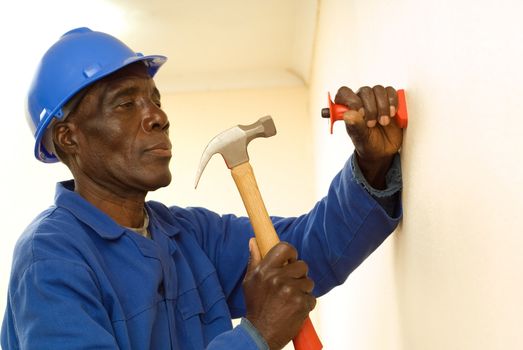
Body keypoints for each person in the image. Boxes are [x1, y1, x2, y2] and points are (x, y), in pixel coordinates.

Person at [1, 27, 403, 350]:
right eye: (126, 104)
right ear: (69, 138)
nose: (158, 116)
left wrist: (372, 164)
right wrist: (256, 335)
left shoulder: (186, 236)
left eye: (154, 100)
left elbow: (307, 252)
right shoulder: (50, 261)